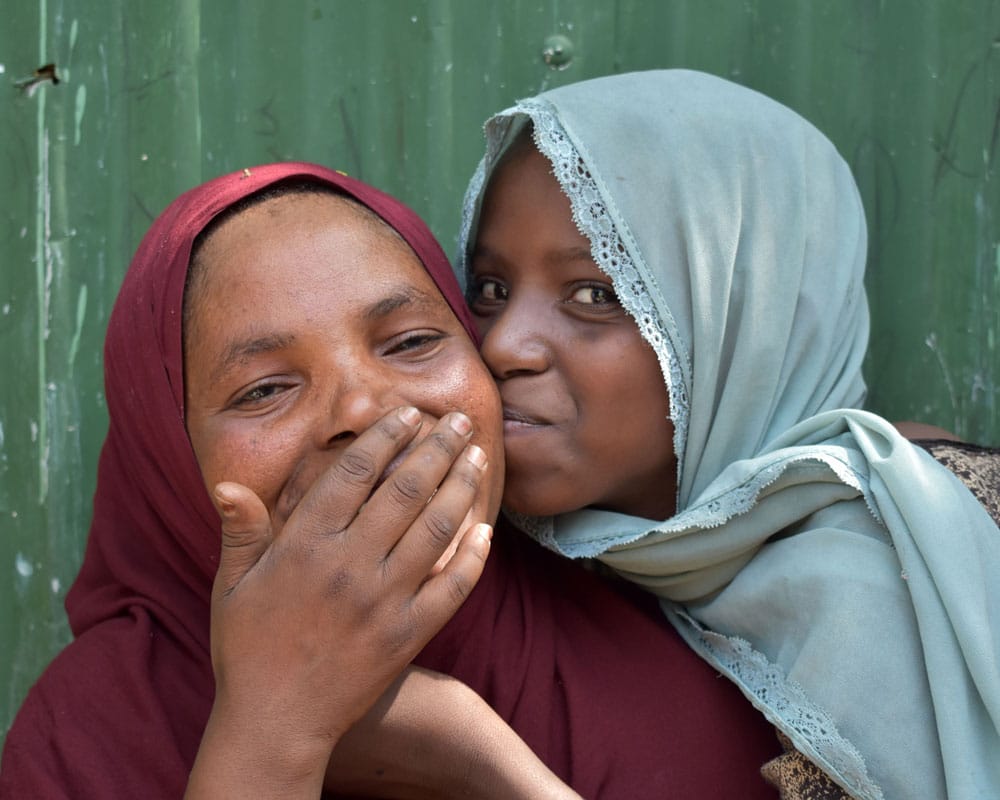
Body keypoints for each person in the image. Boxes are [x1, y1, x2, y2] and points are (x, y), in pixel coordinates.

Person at [0, 162, 783, 799]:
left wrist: (483, 767)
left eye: (411, 341)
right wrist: (271, 737)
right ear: (165, 463)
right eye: (264, 389)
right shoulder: (88, 739)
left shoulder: (695, 673)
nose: (363, 409)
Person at [457, 69, 1000, 799]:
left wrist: (465, 759)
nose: (503, 346)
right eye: (490, 289)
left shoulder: (891, 581)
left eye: (597, 294)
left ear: (748, 321)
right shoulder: (520, 564)